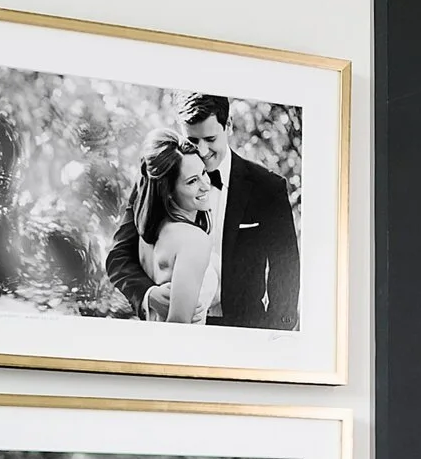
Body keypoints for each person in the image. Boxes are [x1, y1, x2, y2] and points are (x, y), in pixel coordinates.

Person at [104, 91, 301, 329]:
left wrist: (279, 336)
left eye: (210, 139)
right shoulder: (158, 181)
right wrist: (148, 296)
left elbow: (286, 269)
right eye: (193, 140)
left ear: (227, 126)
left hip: (244, 332)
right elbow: (118, 257)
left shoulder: (267, 188)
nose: (203, 150)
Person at [119, 133, 219, 325]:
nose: (206, 185)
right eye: (192, 181)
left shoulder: (149, 233)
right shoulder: (193, 240)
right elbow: (178, 329)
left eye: (204, 173)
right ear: (169, 193)